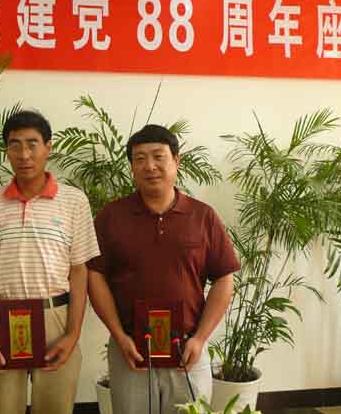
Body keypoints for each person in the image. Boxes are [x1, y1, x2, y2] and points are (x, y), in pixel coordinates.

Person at [87, 124, 240, 414]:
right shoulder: (111, 216)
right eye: (140, 158)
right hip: (130, 350)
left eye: (158, 156)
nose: (150, 166)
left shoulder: (202, 216)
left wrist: (200, 338)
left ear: (176, 161)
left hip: (188, 350)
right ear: (132, 167)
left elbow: (224, 278)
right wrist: (118, 336)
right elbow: (95, 276)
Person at [0, 110, 99, 414]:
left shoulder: (74, 201)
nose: (24, 154)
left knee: (55, 409)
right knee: (2, 409)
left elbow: (79, 271)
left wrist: (73, 334)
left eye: (32, 144)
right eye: (15, 145)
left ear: (48, 147)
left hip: (56, 319)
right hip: (1, 321)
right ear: (6, 151)